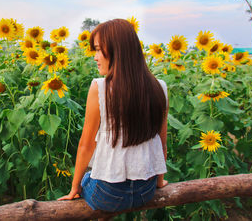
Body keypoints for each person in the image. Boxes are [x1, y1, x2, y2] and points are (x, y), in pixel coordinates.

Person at [58, 19, 169, 215]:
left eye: (99, 50)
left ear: (118, 51)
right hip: (146, 192)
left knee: (88, 178)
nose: (95, 57)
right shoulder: (159, 87)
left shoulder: (100, 88)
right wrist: (159, 182)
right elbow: (161, 142)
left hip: (108, 195)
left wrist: (74, 189)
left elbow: (86, 144)